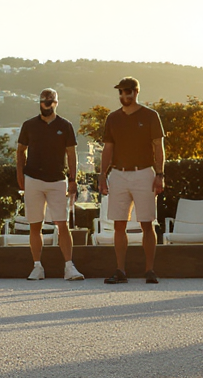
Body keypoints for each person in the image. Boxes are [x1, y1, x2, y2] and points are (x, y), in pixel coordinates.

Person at [98, 77, 166, 284]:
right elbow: (108, 149)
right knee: (119, 224)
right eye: (120, 92)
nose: (124, 96)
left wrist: (160, 174)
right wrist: (102, 176)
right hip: (118, 174)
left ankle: (150, 270)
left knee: (147, 223)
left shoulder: (150, 116)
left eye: (128, 92)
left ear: (136, 92)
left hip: (144, 173)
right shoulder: (113, 118)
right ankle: (120, 270)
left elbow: (158, 147)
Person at [16, 89, 85, 281]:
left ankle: (69, 267)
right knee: (35, 224)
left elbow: (71, 154)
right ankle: (37, 266)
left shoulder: (66, 125)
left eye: (50, 102)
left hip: (57, 179)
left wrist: (73, 180)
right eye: (44, 102)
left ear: (56, 103)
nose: (46, 105)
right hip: (33, 179)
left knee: (62, 224)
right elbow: (20, 151)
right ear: (40, 103)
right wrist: (19, 175)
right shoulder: (29, 125)